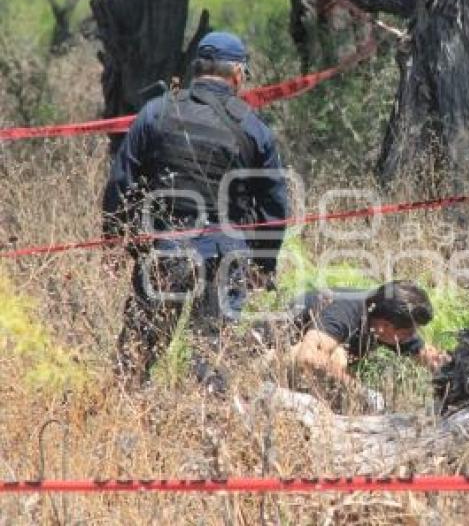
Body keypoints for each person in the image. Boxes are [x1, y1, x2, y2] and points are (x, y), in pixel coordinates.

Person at [103, 31, 289, 392]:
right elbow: (274, 208)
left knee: (138, 353)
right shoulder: (253, 128)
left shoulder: (156, 112)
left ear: (196, 70)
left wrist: (115, 242)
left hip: (166, 250)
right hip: (226, 258)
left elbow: (120, 183)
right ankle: (206, 433)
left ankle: (119, 423)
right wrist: (262, 267)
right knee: (212, 360)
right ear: (237, 74)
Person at [285, 281, 449, 409]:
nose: (411, 337)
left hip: (302, 362)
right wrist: (361, 391)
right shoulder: (345, 311)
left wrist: (453, 367)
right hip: (271, 355)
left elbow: (428, 356)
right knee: (337, 357)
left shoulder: (383, 317)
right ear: (384, 327)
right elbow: (307, 357)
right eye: (408, 333)